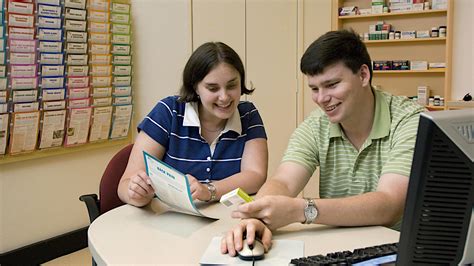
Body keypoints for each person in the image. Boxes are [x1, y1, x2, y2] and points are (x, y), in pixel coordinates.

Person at [221, 29, 425, 256]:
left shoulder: (410, 121)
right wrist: (259, 215)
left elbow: (389, 204)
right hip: (341, 249)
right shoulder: (316, 124)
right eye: (314, 89)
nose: (322, 98)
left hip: (399, 251)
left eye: (332, 85)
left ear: (364, 75)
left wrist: (302, 210)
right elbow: (284, 182)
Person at [118, 42, 268, 207]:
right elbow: (125, 185)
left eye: (232, 85)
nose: (224, 97)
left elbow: (256, 175)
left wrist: (209, 191)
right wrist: (137, 194)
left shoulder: (248, 114)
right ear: (195, 87)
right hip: (168, 222)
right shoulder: (169, 111)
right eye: (212, 88)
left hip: (226, 223)